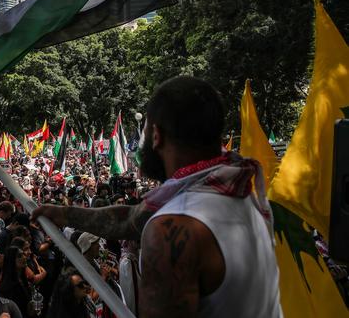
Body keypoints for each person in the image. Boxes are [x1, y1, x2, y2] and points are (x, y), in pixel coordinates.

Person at [33, 76, 282, 317]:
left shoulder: (172, 227)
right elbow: (129, 219)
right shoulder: (240, 193)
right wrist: (65, 214)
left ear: (156, 135)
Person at [0, 246, 32, 317]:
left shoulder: (23, 280)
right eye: (19, 256)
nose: (24, 257)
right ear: (11, 260)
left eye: (23, 254)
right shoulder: (8, 287)